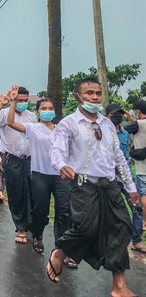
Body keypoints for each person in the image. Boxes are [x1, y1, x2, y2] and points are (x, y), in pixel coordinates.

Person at [46, 78, 139, 297]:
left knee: (122, 227)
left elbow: (119, 157)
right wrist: (62, 165)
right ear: (78, 96)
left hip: (110, 185)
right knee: (85, 228)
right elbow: (56, 150)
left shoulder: (108, 124)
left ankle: (119, 286)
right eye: (89, 93)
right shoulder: (68, 123)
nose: (95, 97)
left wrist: (131, 186)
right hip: (83, 184)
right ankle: (61, 251)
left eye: (98, 93)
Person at [6, 90, 71, 260]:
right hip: (40, 174)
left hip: (60, 176)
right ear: (38, 112)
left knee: (63, 211)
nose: (47, 110)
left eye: (50, 108)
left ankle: (61, 248)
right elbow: (10, 122)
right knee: (41, 210)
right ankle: (38, 235)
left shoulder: (61, 129)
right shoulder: (32, 128)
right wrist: (12, 102)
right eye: (43, 108)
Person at [0, 86, 36, 243]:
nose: (22, 103)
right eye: (18, 100)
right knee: (16, 193)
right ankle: (20, 228)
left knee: (32, 192)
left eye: (24, 100)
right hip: (11, 158)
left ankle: (32, 225)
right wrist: (2, 104)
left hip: (29, 159)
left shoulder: (32, 116)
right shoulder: (4, 114)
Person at [107, 103, 145, 253]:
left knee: (137, 208)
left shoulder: (125, 133)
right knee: (111, 210)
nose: (116, 117)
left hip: (126, 177)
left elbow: (128, 150)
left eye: (118, 114)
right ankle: (110, 240)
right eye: (113, 115)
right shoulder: (102, 133)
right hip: (109, 178)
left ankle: (136, 240)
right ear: (106, 117)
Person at [124, 99, 146, 233]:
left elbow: (122, 129)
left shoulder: (137, 124)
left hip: (142, 167)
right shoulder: (140, 124)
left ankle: (145, 221)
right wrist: (130, 116)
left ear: (137, 111)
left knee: (144, 195)